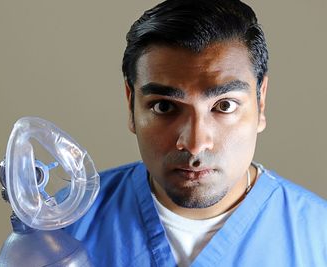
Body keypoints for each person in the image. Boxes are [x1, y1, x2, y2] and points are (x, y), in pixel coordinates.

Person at [64, 0, 327, 266]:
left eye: (224, 106)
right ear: (131, 104)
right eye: (164, 106)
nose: (195, 143)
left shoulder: (319, 238)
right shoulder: (64, 224)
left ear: (260, 102)